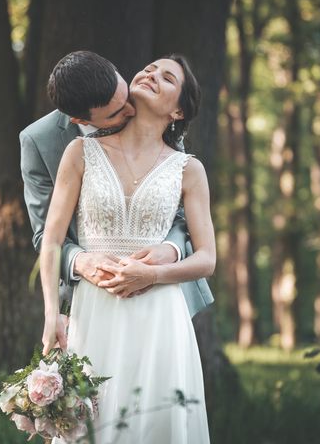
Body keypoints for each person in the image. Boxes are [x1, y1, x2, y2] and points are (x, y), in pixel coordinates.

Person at [39, 54, 213, 442]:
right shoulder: (81, 153)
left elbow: (207, 259)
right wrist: (53, 315)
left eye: (166, 77)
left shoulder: (188, 169)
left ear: (178, 109)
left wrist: (153, 273)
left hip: (159, 316)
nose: (151, 74)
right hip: (94, 311)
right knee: (94, 423)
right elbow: (51, 241)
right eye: (150, 68)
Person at [19, 51, 213, 343]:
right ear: (80, 118)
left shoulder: (149, 110)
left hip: (160, 299)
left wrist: (170, 250)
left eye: (127, 99)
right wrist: (80, 264)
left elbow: (174, 207)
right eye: (117, 112)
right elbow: (46, 235)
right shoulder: (46, 143)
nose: (130, 111)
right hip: (92, 296)